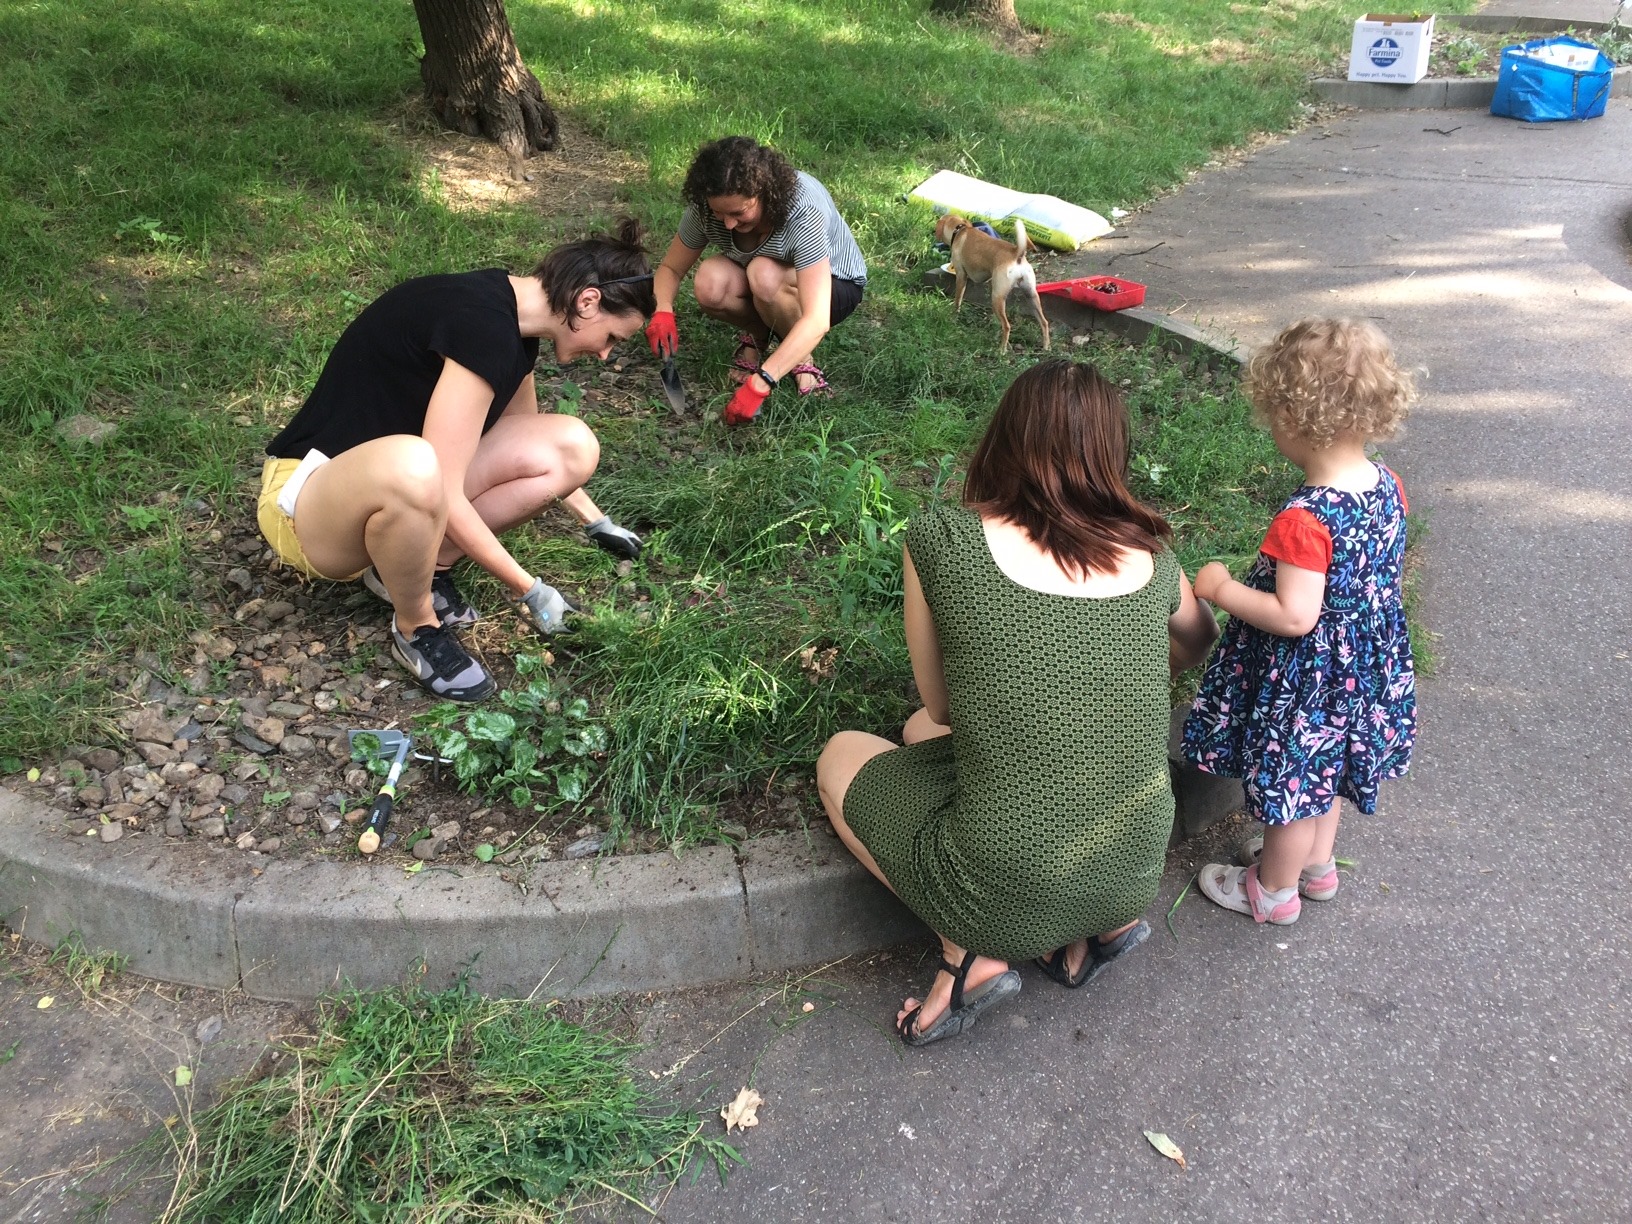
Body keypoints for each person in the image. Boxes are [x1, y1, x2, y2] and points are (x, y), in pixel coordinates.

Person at [816, 360, 1220, 1047]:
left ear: (1004, 438)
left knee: (843, 754)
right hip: (1132, 870)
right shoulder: (1151, 556)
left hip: (1006, 877)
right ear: (1112, 452)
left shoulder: (944, 539)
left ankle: (967, 955)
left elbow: (942, 708)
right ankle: (1096, 931)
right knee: (917, 734)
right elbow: (1199, 638)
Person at [257, 220, 657, 703]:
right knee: (417, 465)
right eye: (613, 337)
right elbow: (442, 484)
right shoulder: (483, 328)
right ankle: (416, 626)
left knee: (570, 445)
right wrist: (531, 591)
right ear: (587, 302)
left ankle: (410, 568)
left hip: (391, 488)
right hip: (306, 507)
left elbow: (524, 440)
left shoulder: (513, 322)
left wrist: (596, 520)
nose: (607, 354)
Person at [1181, 318, 1418, 925]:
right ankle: (1317, 867)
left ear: (1294, 417)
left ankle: (1273, 891)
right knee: (1326, 774)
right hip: (1362, 668)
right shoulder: (1388, 485)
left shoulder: (1305, 518)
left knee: (1293, 787)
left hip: (1308, 681)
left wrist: (1222, 589)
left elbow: (1293, 615)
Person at [646, 136, 868, 425]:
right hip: (762, 281)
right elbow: (671, 269)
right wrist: (662, 310)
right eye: (719, 212)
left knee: (763, 273)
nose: (727, 223)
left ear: (765, 193)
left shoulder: (802, 212)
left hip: (834, 287)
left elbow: (817, 319)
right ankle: (759, 335)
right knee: (710, 282)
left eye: (739, 213)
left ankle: (801, 359)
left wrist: (761, 382)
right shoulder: (706, 207)